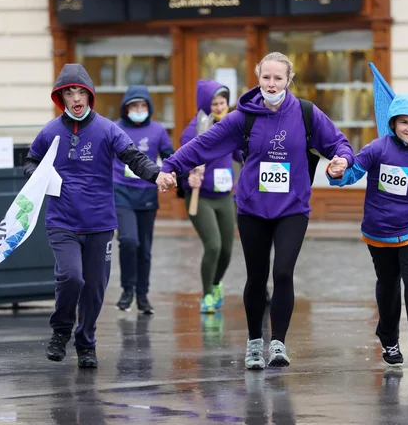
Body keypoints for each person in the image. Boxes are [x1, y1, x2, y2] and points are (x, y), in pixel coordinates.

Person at [160, 52, 355, 369]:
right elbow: (203, 144)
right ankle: (253, 343)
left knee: (283, 272)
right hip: (252, 207)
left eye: (278, 78)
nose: (272, 83)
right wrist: (171, 166)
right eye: (266, 77)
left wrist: (342, 160)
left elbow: (339, 143)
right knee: (257, 276)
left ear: (289, 80)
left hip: (292, 207)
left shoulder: (306, 113)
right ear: (258, 78)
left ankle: (278, 343)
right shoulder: (243, 116)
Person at [23, 64, 176, 369]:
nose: (76, 97)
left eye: (81, 91)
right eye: (69, 92)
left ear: (90, 94)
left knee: (94, 286)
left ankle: (86, 343)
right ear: (61, 97)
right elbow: (30, 162)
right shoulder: (50, 131)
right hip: (62, 220)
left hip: (100, 222)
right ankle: (61, 331)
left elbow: (133, 156)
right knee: (71, 276)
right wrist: (40, 176)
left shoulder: (107, 129)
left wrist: (157, 175)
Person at [329, 94, 408, 371]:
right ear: (393, 124)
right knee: (389, 286)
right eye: (404, 122)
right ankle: (389, 340)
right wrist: (337, 172)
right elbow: (352, 173)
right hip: (379, 231)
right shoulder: (376, 149)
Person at [181, 80, 243, 314]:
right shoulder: (193, 130)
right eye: (214, 103)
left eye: (222, 102)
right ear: (205, 105)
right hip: (201, 198)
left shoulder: (230, 127)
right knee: (214, 245)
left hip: (225, 196)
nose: (219, 107)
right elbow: (182, 159)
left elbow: (240, 154)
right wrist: (189, 175)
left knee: (227, 249)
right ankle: (207, 294)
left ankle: (216, 283)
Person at [113, 86, 175, 314]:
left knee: (145, 249)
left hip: (147, 193)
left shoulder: (158, 130)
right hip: (120, 191)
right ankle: (127, 289)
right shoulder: (116, 128)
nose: (138, 110)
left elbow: (170, 157)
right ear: (126, 108)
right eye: (134, 106)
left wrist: (178, 172)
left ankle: (142, 295)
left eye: (142, 106)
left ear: (148, 108)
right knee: (129, 241)